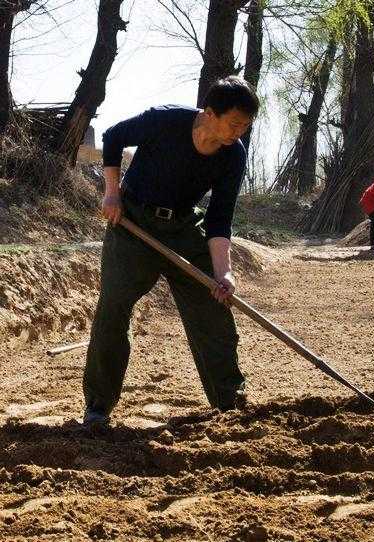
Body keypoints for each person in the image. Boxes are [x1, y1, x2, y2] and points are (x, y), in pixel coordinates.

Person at [82, 76, 260, 426]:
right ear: (210, 113)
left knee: (214, 306)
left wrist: (223, 272)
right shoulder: (166, 121)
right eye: (234, 124)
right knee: (113, 309)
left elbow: (220, 217)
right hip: (133, 222)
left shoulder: (232, 156)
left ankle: (229, 402)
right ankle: (98, 407)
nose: (238, 133)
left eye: (245, 127)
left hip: (183, 228)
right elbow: (113, 137)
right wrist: (112, 193)